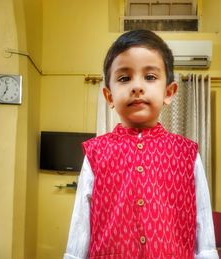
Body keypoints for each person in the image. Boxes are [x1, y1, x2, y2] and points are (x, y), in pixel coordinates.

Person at [63, 29, 218, 259]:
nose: (137, 87)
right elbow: (81, 222)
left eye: (150, 77)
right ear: (109, 97)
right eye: (124, 78)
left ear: (169, 92)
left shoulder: (186, 153)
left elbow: (203, 220)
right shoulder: (96, 152)